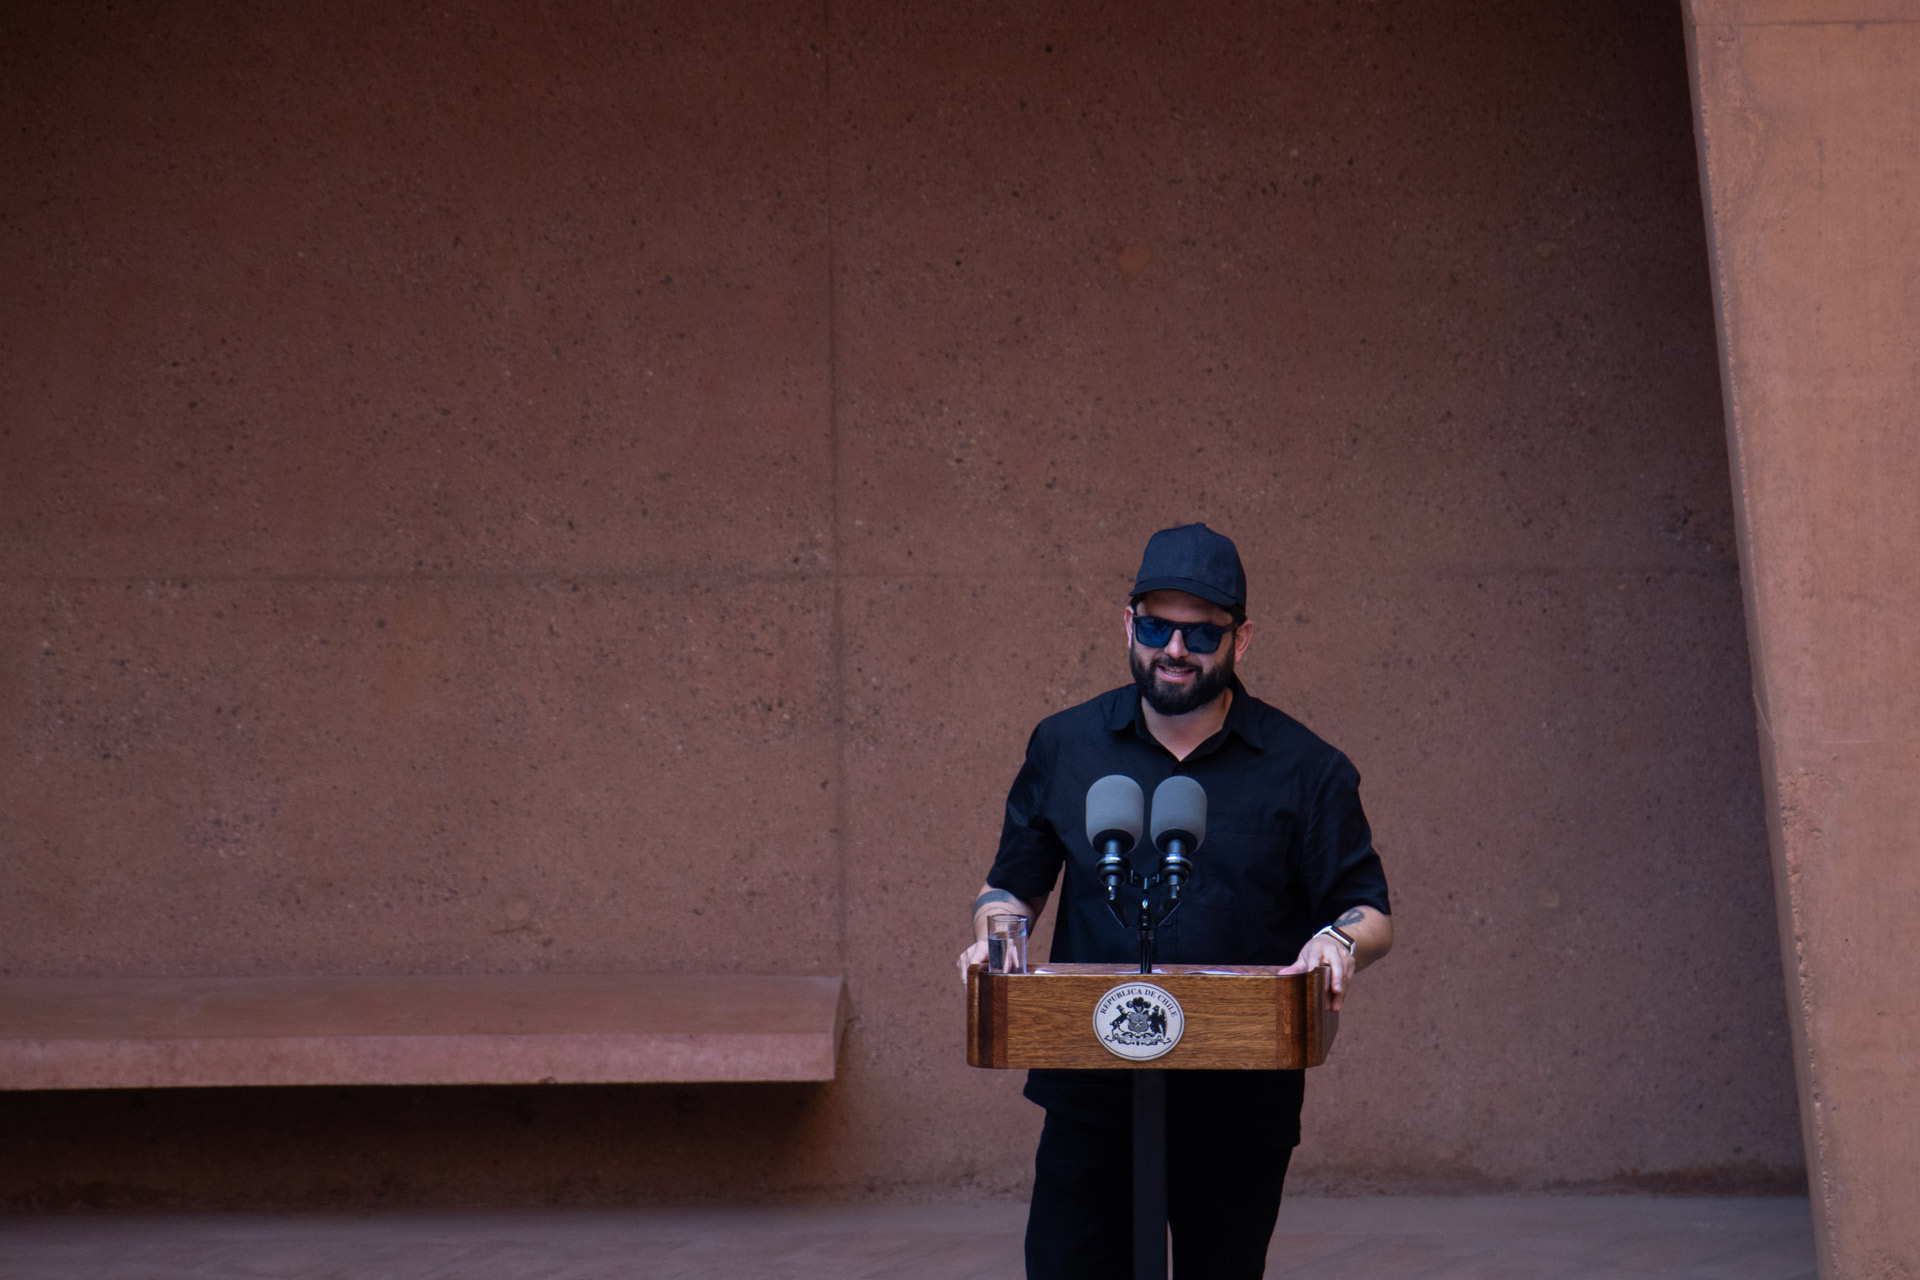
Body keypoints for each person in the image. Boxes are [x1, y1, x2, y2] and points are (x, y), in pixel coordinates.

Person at [956, 522, 1393, 1280]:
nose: (1176, 650)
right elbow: (1011, 887)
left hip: (1238, 1099)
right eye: (1157, 627)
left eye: (1202, 633)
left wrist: (1339, 942)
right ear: (1129, 624)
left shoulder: (1308, 769)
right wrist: (995, 939)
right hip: (1092, 1087)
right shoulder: (1065, 745)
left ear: (1241, 639)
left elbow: (1370, 910)